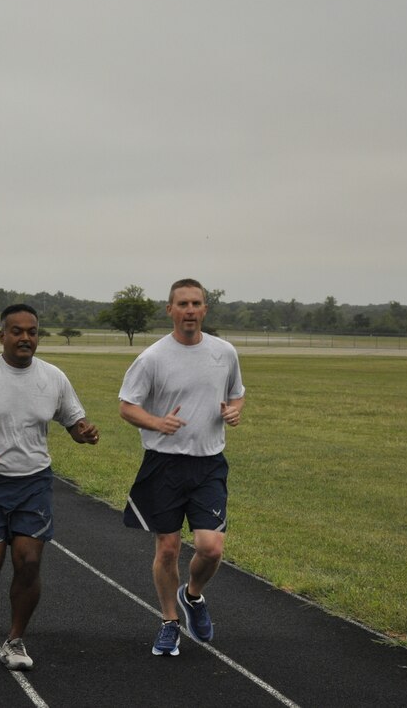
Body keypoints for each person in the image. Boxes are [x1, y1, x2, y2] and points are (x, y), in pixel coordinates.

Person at [0, 304, 99, 671]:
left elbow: (74, 421)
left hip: (34, 483)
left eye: (33, 332)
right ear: (2, 336)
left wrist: (84, 433)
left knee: (28, 561)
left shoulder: (53, 377)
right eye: (17, 331)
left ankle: (15, 639)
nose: (26, 338)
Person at [118, 278, 245, 657]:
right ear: (169, 310)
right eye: (182, 304)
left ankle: (192, 596)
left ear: (205, 309)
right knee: (169, 548)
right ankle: (169, 622)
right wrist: (156, 423)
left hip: (209, 464)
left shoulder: (225, 352)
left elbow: (236, 394)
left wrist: (234, 411)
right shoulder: (153, 357)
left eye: (196, 303)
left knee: (211, 548)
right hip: (164, 465)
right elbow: (127, 406)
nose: (190, 310)